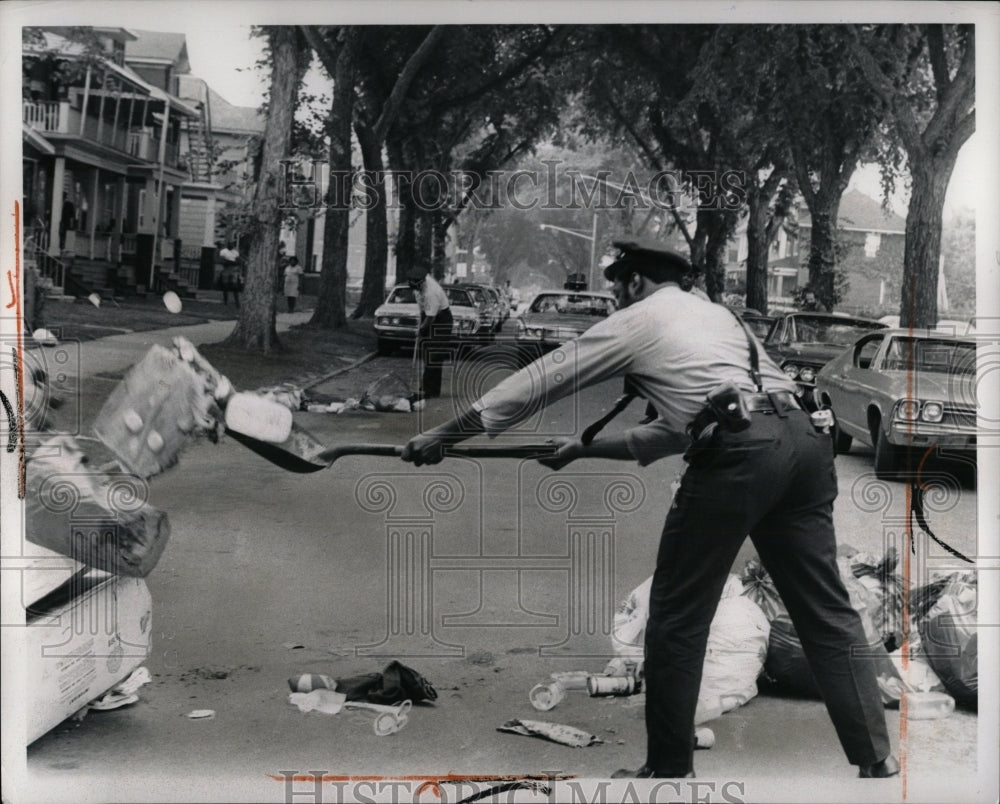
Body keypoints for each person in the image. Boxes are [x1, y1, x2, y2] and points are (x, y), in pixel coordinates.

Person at [401, 240, 896, 780]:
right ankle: (877, 757)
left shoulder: (642, 317)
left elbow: (543, 379)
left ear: (636, 283)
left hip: (739, 455)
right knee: (825, 609)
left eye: (616, 285)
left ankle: (666, 769)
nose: (613, 296)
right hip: (803, 444)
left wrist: (446, 435)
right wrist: (583, 449)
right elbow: (674, 430)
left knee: (679, 616)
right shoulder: (721, 319)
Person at [408, 267, 453, 399]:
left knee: (434, 354)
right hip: (429, 316)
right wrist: (420, 326)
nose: (411, 285)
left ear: (421, 282)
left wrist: (422, 329)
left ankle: (431, 390)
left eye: (414, 282)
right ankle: (427, 385)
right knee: (426, 352)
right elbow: (422, 310)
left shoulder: (431, 292)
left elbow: (431, 317)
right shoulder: (418, 290)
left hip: (441, 320)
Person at [218, 241, 242, 308]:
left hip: (234, 270)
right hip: (226, 269)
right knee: (225, 286)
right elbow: (222, 261)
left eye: (232, 245)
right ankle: (225, 301)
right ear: (227, 245)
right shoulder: (223, 251)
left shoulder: (235, 252)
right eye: (229, 244)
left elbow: (238, 261)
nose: (231, 246)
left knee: (235, 286)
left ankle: (237, 301)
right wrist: (231, 262)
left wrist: (230, 262)